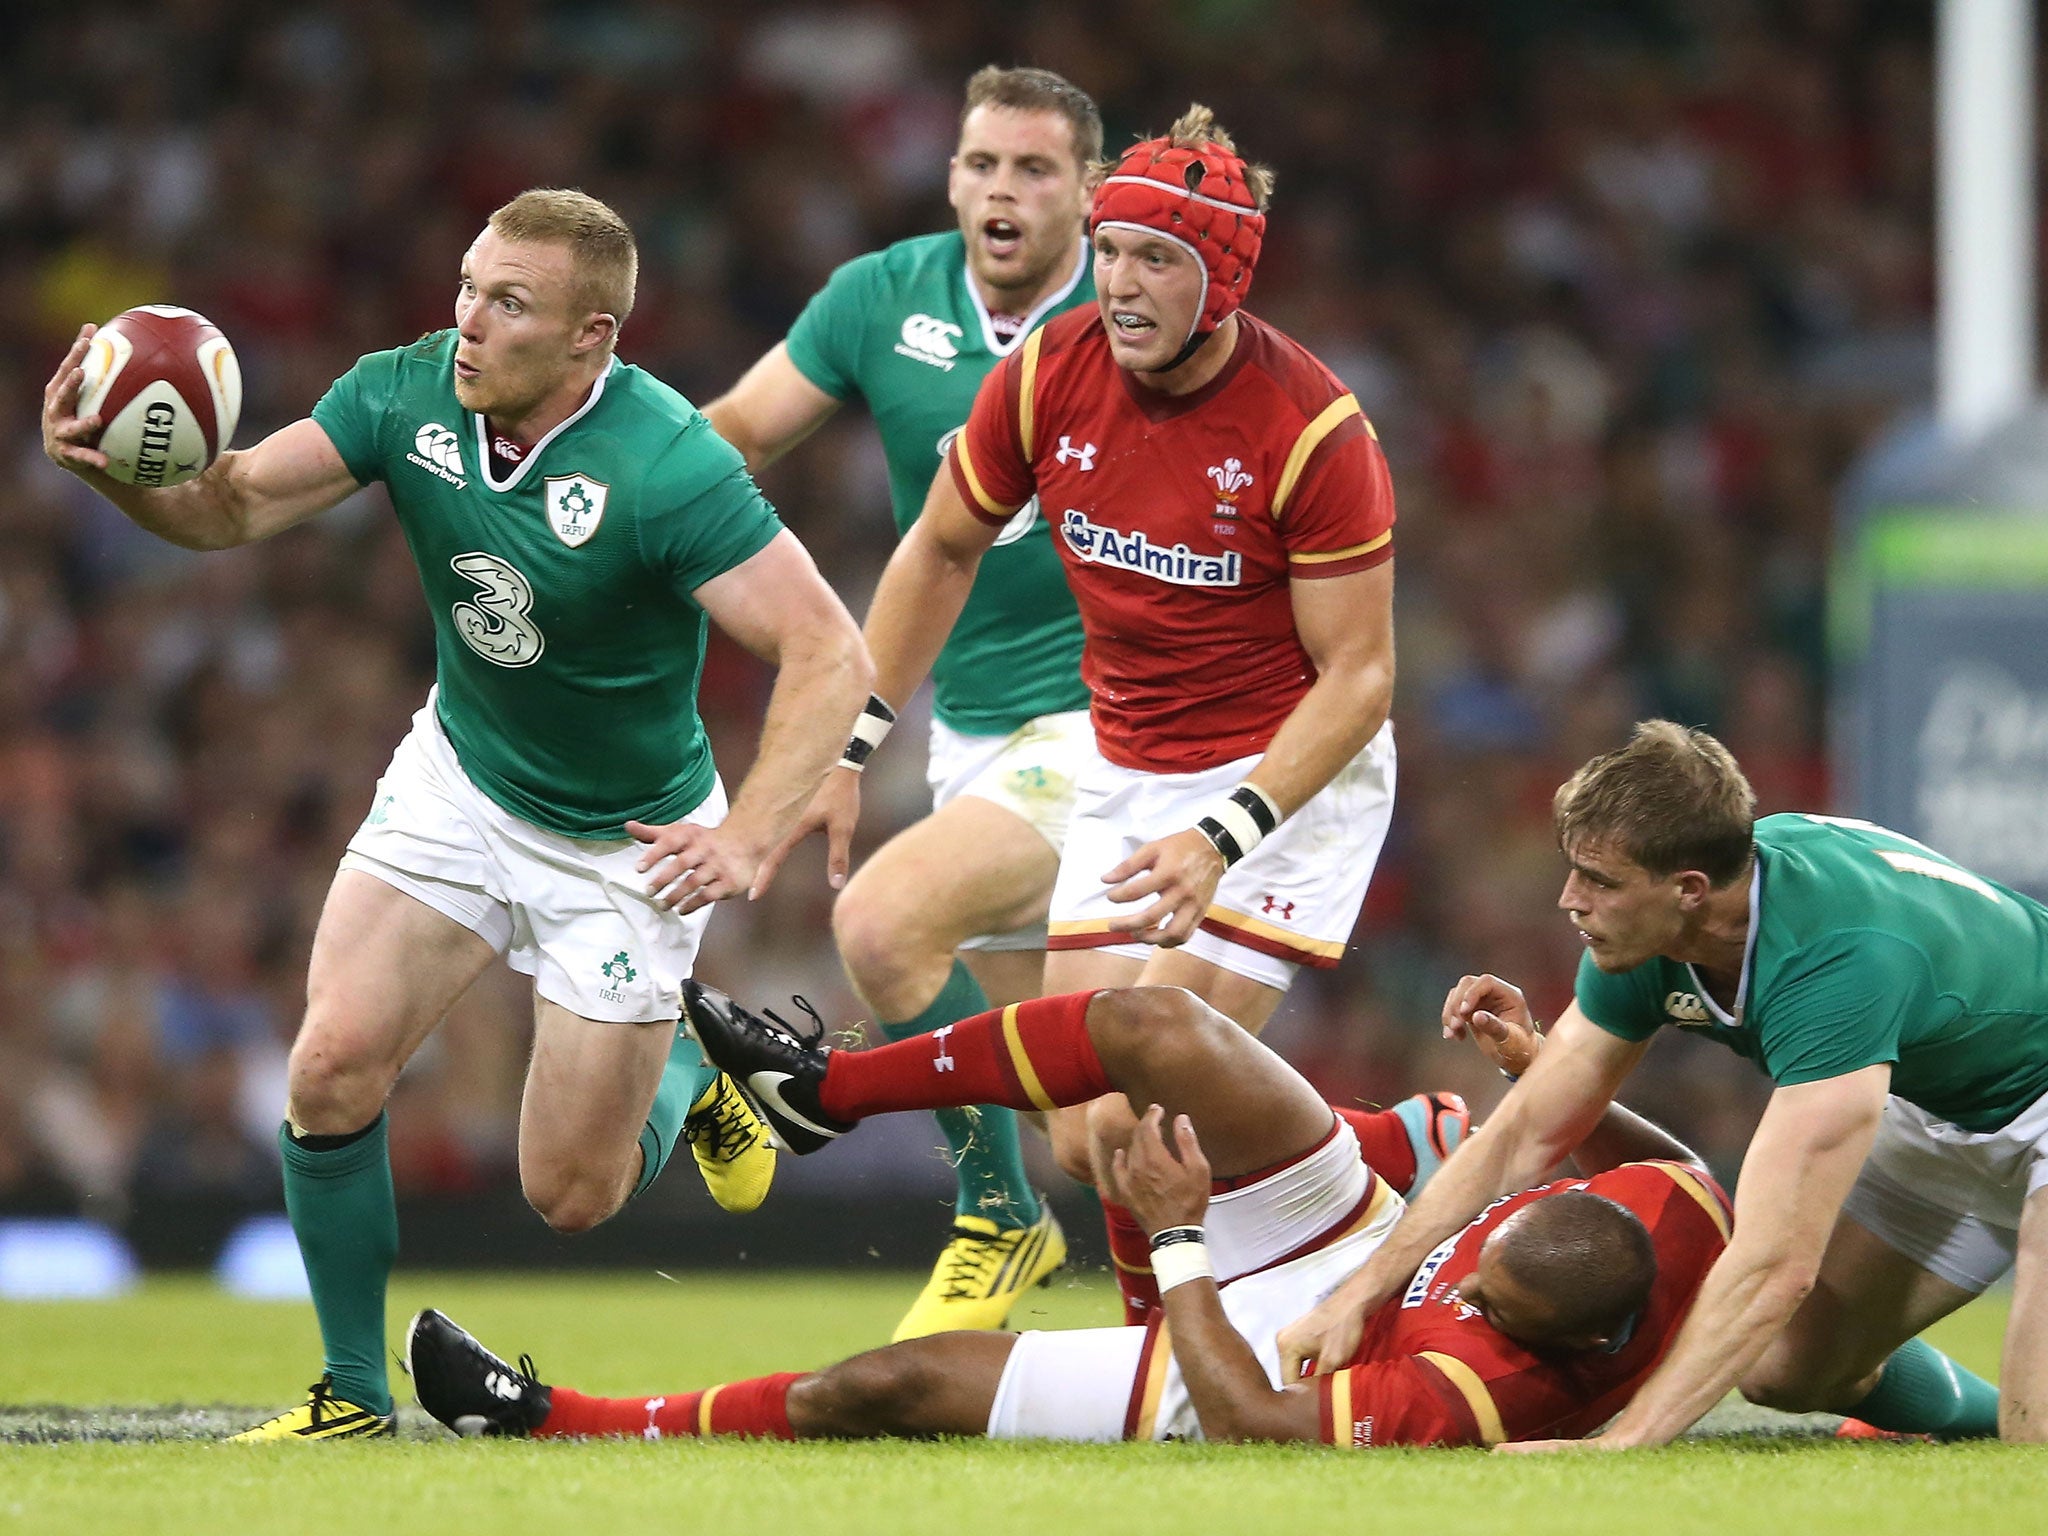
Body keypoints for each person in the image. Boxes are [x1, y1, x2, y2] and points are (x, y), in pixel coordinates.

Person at [39, 189, 872, 1440]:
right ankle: (350, 1396)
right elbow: (233, 505)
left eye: (509, 303)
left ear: (593, 337)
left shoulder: (664, 465)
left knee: (570, 1197)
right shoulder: (404, 391)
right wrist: (111, 480)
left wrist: (749, 834)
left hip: (623, 845)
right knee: (326, 1068)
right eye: (470, 285)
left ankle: (694, 1071)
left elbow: (827, 650)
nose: (468, 321)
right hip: (463, 783)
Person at [825, 102, 1424, 1321]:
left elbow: (1359, 677)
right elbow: (940, 546)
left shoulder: (1311, 429)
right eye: (1108, 249)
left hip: (1282, 779)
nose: (1122, 283)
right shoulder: (1048, 372)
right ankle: (1399, 1152)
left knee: (1136, 1092)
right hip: (1126, 762)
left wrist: (1225, 833)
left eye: (1160, 259)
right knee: (1082, 1134)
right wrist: (853, 738)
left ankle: (1188, 1339)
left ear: (1224, 279)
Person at [406, 981, 1727, 1448]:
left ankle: (547, 1417)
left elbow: (1258, 1421)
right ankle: (826, 1091)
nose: (1474, 1274)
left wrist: (1187, 1237)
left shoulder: (1463, 1399)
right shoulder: (1666, 1220)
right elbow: (1695, 1176)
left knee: (881, 1385)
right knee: (1147, 1032)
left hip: (1279, 1351)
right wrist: (1539, 1078)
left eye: (1482, 1291)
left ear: (1522, 1336)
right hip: (1368, 1230)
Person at [1281, 721, 2019, 1448]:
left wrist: (1625, 1442)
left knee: (2039, 1438)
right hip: (1937, 1104)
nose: (1570, 899)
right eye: (1574, 870)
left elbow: (1774, 1262)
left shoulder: (1839, 966)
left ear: (1689, 889)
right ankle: (1985, 1418)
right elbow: (1520, 1136)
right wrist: (1356, 1297)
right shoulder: (1658, 934)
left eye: (1600, 881)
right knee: (1781, 1370)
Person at [703, 66, 1105, 1337]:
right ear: (950, 179)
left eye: (1034, 171)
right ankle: (1395, 1187)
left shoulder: (1135, 303)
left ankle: (989, 1215)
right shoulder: (879, 296)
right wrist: (601, 485)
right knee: (1085, 1117)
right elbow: (741, 430)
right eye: (983, 165)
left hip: (1110, 727)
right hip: (972, 729)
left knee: (881, 931)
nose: (1003, 191)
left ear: (1088, 195)